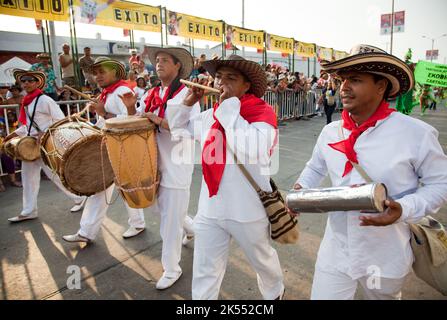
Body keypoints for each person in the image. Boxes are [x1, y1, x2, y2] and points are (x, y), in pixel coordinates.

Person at [291, 44, 447, 300]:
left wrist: (405, 208)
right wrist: (299, 192)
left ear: (381, 86)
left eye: (355, 80)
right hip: (336, 251)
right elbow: (315, 167)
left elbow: (442, 183)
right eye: (342, 80)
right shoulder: (331, 131)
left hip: (385, 255)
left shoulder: (415, 133)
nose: (344, 87)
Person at [166, 55, 285, 300]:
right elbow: (178, 130)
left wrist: (230, 108)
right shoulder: (212, 114)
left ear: (247, 86)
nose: (221, 83)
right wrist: (188, 103)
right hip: (211, 206)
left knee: (263, 261)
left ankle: (275, 293)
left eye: (231, 78)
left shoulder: (262, 113)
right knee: (205, 267)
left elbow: (253, 148)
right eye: (219, 77)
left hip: (247, 209)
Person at [129, 46, 199, 290]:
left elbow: (191, 132)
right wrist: (130, 108)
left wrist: (159, 121)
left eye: (165, 60)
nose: (158, 64)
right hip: (153, 163)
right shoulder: (151, 92)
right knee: (163, 213)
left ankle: (172, 268)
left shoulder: (188, 94)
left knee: (169, 223)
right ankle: (194, 229)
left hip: (177, 165)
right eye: (157, 60)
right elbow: (138, 119)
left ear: (177, 65)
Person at [63, 57, 146, 243]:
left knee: (131, 190)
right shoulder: (107, 93)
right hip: (108, 146)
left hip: (121, 148)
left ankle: (186, 225)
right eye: (96, 73)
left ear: (115, 72)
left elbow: (130, 121)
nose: (97, 76)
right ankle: (87, 232)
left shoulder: (122, 91)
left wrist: (103, 113)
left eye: (102, 72)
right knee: (102, 189)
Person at [4, 69, 87, 223]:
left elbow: (60, 120)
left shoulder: (44, 100)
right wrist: (15, 133)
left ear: (37, 83)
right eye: (24, 81)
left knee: (54, 175)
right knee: (28, 178)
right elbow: (28, 126)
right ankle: (29, 210)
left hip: (44, 144)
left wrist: (45, 132)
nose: (27, 83)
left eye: (30, 80)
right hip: (30, 145)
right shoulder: (27, 101)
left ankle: (79, 197)